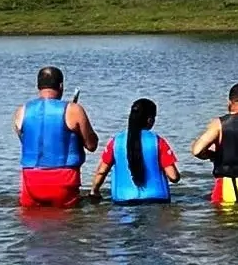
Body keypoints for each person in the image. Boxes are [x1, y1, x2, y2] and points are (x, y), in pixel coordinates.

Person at [13, 66, 99, 208]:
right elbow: (92, 145)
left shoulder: (21, 111)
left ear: (38, 86)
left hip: (30, 180)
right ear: (61, 86)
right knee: (65, 225)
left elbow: (26, 142)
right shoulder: (73, 110)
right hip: (63, 180)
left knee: (33, 224)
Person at [89, 98, 181, 204]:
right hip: (157, 199)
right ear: (150, 120)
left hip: (123, 201)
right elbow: (173, 176)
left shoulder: (116, 141)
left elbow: (102, 171)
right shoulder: (158, 141)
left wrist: (94, 191)